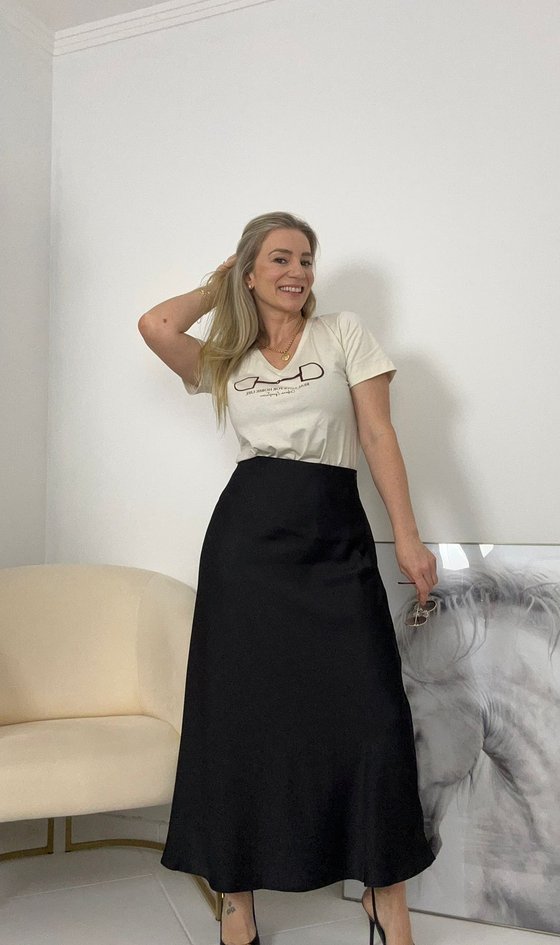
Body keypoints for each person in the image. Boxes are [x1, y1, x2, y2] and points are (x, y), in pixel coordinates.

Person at [137, 211, 438, 945]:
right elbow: (156, 325)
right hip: (247, 543)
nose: (298, 271)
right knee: (237, 716)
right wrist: (223, 282)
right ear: (249, 271)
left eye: (306, 258)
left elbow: (377, 434)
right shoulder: (226, 355)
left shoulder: (343, 334)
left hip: (334, 535)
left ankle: (385, 898)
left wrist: (407, 536)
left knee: (372, 713)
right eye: (279, 258)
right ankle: (236, 902)